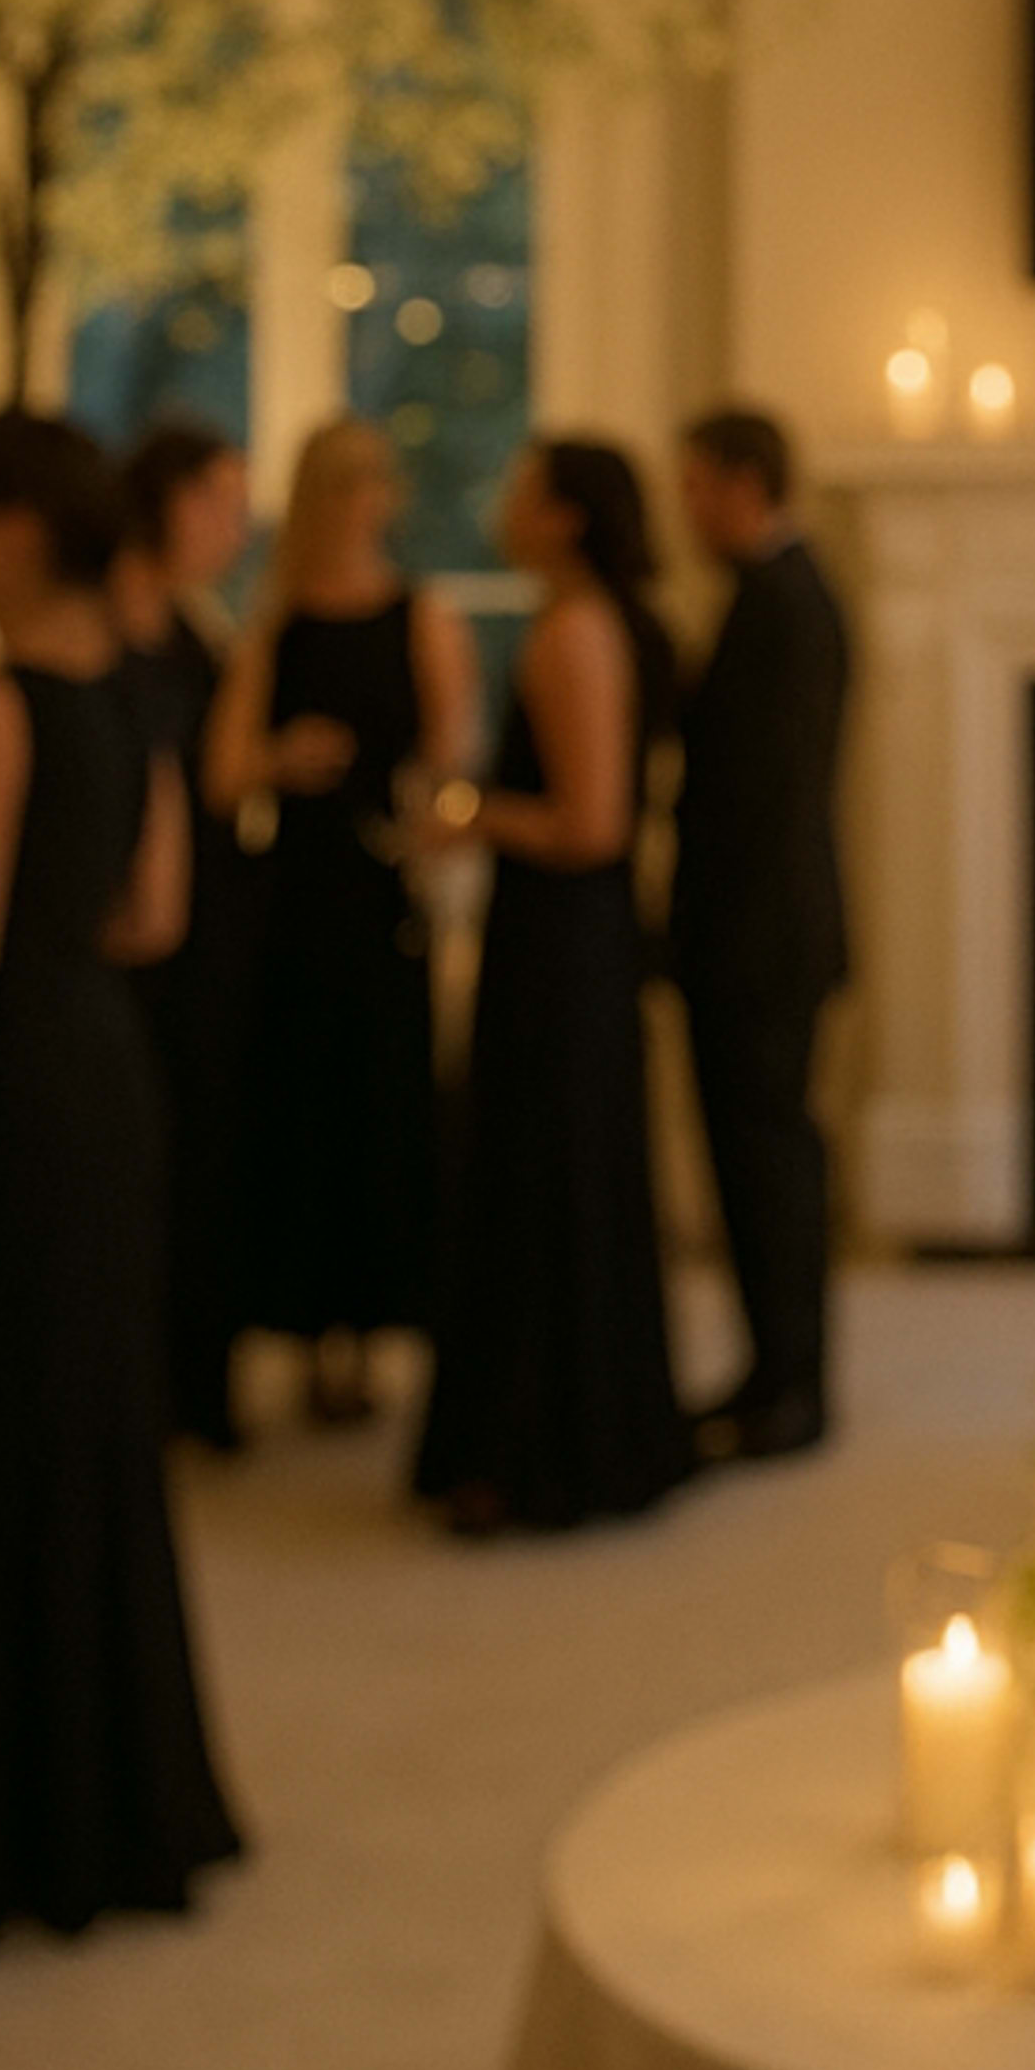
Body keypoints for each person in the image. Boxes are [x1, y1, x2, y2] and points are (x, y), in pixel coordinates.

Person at [0, 411, 241, 1947]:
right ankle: (116, 1798)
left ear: (19, 530)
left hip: (8, 1092)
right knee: (91, 1426)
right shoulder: (137, 703)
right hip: (103, 1077)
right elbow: (150, 919)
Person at [413, 441, 695, 1537]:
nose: (503, 504)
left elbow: (590, 823)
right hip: (572, 943)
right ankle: (585, 1433)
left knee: (541, 1181)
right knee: (557, 1173)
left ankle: (542, 1452)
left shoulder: (576, 631)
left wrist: (469, 813)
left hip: (562, 945)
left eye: (523, 489)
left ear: (568, 518)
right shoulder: (599, 619)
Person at [208, 420, 472, 1426]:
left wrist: (428, 826)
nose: (359, 503)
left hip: (380, 893)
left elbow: (448, 761)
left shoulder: (423, 618)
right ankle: (312, 1333)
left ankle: (374, 1332)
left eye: (371, 484)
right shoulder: (275, 626)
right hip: (298, 900)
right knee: (302, 1109)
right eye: (340, 486)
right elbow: (225, 774)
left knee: (384, 1107)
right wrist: (280, 759)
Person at [670, 409, 851, 1466]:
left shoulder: (784, 605)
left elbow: (760, 800)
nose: (686, 511)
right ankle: (773, 1370)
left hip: (759, 939)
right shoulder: (778, 597)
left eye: (696, 487)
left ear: (745, 485)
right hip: (760, 933)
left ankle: (791, 1384)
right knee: (755, 1162)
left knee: (770, 1162)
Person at [111, 420, 264, 1455]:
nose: (236, 523)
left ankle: (195, 1377)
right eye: (220, 499)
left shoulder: (199, 620)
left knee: (206, 1152)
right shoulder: (125, 622)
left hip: (213, 929)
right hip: (150, 942)